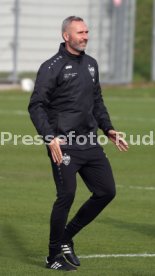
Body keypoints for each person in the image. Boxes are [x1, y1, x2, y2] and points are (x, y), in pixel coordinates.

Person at [28, 16, 128, 271]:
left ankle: (66, 237)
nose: (85, 36)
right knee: (67, 195)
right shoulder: (51, 67)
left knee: (106, 191)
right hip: (63, 144)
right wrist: (49, 138)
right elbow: (36, 105)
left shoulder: (91, 65)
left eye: (87, 32)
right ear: (66, 36)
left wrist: (109, 129)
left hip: (89, 142)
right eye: (80, 32)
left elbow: (97, 102)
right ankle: (52, 257)